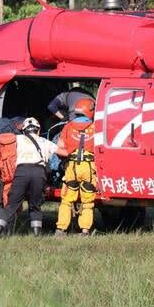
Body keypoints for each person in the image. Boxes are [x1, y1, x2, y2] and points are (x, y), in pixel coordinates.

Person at [0, 117, 60, 237]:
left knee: (12, 204)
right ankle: (36, 235)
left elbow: (1, 153)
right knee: (35, 204)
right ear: (38, 130)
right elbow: (63, 152)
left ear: (24, 130)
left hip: (21, 172)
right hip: (39, 173)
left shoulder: (16, 139)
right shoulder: (44, 141)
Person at [54, 98, 98, 236]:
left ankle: (61, 229)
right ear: (90, 111)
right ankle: (85, 231)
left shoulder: (68, 126)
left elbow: (60, 147)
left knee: (67, 200)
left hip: (71, 167)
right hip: (89, 168)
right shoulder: (96, 127)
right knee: (88, 201)